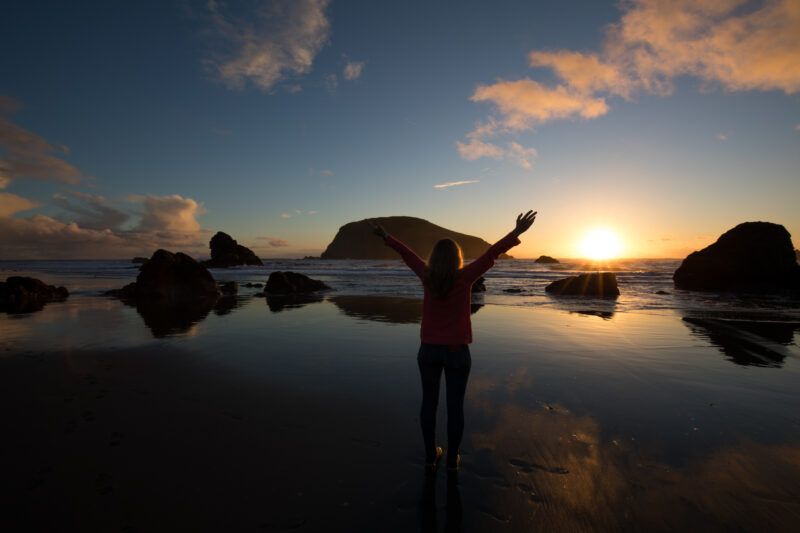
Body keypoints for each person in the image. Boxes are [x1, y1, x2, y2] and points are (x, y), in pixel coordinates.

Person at [368, 210, 536, 473]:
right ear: (457, 258)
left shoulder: (426, 275)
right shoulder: (466, 276)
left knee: (429, 403)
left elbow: (406, 253)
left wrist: (385, 236)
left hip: (428, 350)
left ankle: (429, 455)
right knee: (455, 407)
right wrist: (516, 232)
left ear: (434, 258)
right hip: (458, 351)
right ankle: (453, 459)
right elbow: (492, 253)